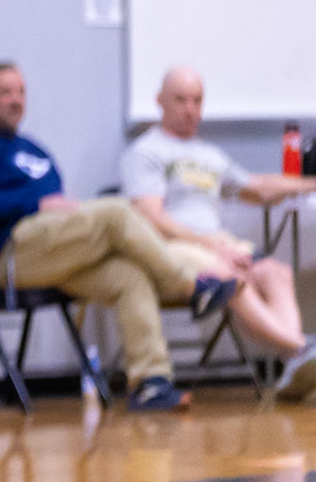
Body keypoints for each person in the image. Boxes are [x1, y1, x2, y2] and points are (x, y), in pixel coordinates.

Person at [0, 63, 241, 411]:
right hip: (12, 253)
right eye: (4, 92)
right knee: (116, 211)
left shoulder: (34, 150)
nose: (15, 100)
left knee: (130, 277)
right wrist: (33, 203)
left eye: (21, 92)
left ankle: (150, 383)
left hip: (55, 249)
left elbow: (55, 202)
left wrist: (57, 210)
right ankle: (191, 286)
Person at [121, 67, 316, 400]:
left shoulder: (208, 155)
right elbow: (151, 218)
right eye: (181, 100)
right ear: (160, 101)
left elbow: (257, 188)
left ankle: (295, 361)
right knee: (229, 278)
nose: (190, 109)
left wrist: (309, 184)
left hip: (218, 244)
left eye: (197, 100)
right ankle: (299, 350)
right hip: (171, 247)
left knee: (275, 272)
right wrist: (211, 246)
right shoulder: (145, 151)